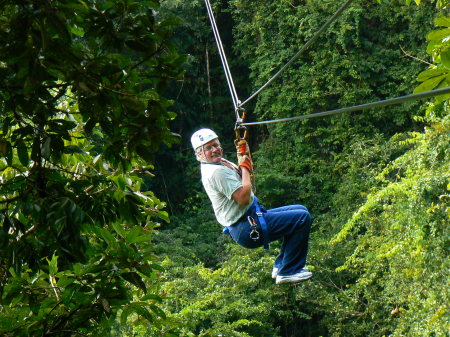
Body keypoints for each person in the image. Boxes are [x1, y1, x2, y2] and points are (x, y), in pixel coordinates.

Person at [191, 128, 313, 284]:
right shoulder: (215, 172)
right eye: (208, 148)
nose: (214, 150)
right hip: (247, 227)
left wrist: (244, 156)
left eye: (215, 145)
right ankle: (289, 271)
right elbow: (243, 197)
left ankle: (282, 265)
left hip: (249, 219)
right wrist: (245, 166)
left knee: (300, 211)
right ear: (200, 154)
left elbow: (244, 176)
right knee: (301, 218)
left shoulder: (220, 163)